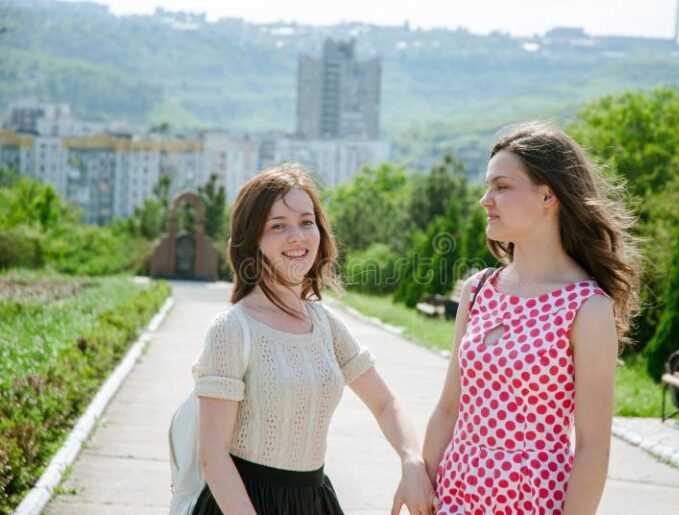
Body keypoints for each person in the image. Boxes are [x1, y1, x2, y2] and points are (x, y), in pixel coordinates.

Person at [422, 122, 641, 515]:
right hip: (454, 496)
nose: (485, 200)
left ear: (547, 195)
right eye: (488, 187)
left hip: (532, 501)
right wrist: (422, 485)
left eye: (502, 186)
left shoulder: (587, 309)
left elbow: (593, 449)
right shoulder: (478, 290)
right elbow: (448, 410)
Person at [191, 163, 434, 515]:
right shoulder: (232, 329)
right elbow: (212, 455)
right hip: (240, 503)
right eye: (277, 226)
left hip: (314, 500)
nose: (297, 236)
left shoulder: (326, 324)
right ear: (252, 240)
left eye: (307, 222)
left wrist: (411, 460)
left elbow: (385, 404)